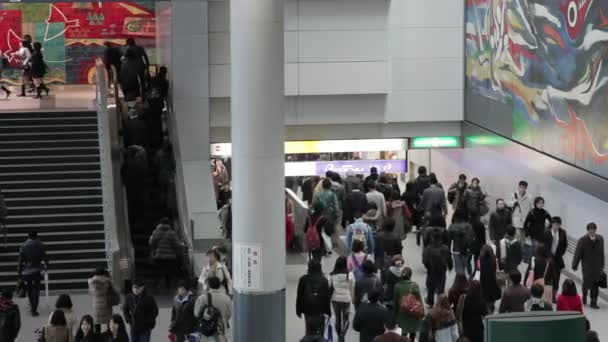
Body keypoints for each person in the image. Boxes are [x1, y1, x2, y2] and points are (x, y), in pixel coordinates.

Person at [572, 222, 605, 309]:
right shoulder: (582, 240)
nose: (592, 232)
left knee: (595, 285)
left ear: (595, 230)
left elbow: (602, 253)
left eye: (593, 230)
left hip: (597, 267)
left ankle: (593, 302)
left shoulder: (600, 239)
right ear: (587, 230)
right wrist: (574, 265)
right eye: (590, 230)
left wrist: (602, 265)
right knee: (586, 283)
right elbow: (577, 253)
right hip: (587, 267)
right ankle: (584, 295)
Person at [296, 260, 331, 337]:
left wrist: (298, 310)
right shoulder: (324, 280)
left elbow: (299, 296)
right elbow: (326, 298)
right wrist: (328, 312)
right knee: (320, 334)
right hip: (320, 311)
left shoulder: (303, 279)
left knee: (309, 331)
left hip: (308, 310)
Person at [17, 230, 48, 316]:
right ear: (36, 236)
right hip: (37, 270)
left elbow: (20, 260)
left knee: (29, 288)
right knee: (36, 290)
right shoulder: (40, 245)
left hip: (27, 271)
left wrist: (19, 271)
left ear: (28, 236)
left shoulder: (23, 246)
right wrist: (46, 267)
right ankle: (34, 309)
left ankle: (31, 304)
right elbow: (44, 257)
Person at [194, 276, 232, 342]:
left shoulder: (202, 298)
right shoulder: (227, 298)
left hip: (206, 331)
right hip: (221, 330)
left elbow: (196, 314)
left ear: (208, 285)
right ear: (219, 285)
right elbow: (228, 315)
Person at [423, 229, 453, 306]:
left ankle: (430, 301)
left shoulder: (429, 248)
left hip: (431, 270)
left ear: (432, 238)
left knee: (431, 287)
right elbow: (449, 258)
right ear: (441, 238)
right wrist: (450, 266)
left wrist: (427, 266)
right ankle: (440, 303)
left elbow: (425, 259)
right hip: (442, 270)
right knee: (441, 287)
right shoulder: (445, 248)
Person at [148, 219, 182, 290]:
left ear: (160, 223)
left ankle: (157, 285)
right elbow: (177, 244)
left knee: (159, 271)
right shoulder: (172, 233)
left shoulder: (156, 232)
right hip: (170, 257)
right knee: (169, 272)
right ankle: (168, 286)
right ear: (169, 224)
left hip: (158, 256)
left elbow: (151, 243)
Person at [393, 267, 424, 341]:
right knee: (413, 331)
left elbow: (395, 302)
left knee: (403, 332)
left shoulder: (397, 286)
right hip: (413, 312)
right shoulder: (414, 286)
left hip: (402, 313)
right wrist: (422, 312)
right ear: (410, 276)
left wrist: (395, 315)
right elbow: (419, 300)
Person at [329, 257, 355, 342]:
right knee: (346, 319)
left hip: (335, 299)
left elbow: (329, 287)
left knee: (338, 319)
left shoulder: (332, 275)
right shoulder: (349, 274)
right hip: (346, 299)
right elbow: (352, 288)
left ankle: (339, 334)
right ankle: (342, 335)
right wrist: (353, 299)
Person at [545, 216, 568, 302]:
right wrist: (548, 255)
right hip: (548, 258)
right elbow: (544, 246)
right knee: (547, 278)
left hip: (558, 259)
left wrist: (560, 253)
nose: (556, 226)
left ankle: (554, 296)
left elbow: (565, 245)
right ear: (552, 224)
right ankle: (547, 295)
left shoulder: (562, 233)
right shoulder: (547, 232)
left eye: (558, 224)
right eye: (555, 224)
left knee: (556, 278)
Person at [448, 210, 475, 277]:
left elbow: (448, 239)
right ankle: (470, 279)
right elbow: (471, 238)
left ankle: (460, 283)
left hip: (456, 250)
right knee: (468, 265)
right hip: (466, 250)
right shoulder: (468, 226)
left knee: (459, 269)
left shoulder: (452, 226)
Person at [88, 266, 114, 333]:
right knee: (109, 323)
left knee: (97, 324)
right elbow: (112, 290)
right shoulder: (108, 281)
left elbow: (90, 293)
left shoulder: (91, 282)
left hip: (96, 304)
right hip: (106, 303)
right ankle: (109, 337)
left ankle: (97, 338)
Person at [478, 245, 501, 313]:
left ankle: (487, 309)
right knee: (492, 296)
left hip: (484, 281)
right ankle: (492, 307)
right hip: (492, 281)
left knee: (485, 295)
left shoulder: (480, 260)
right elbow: (496, 269)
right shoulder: (493, 259)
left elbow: (478, 268)